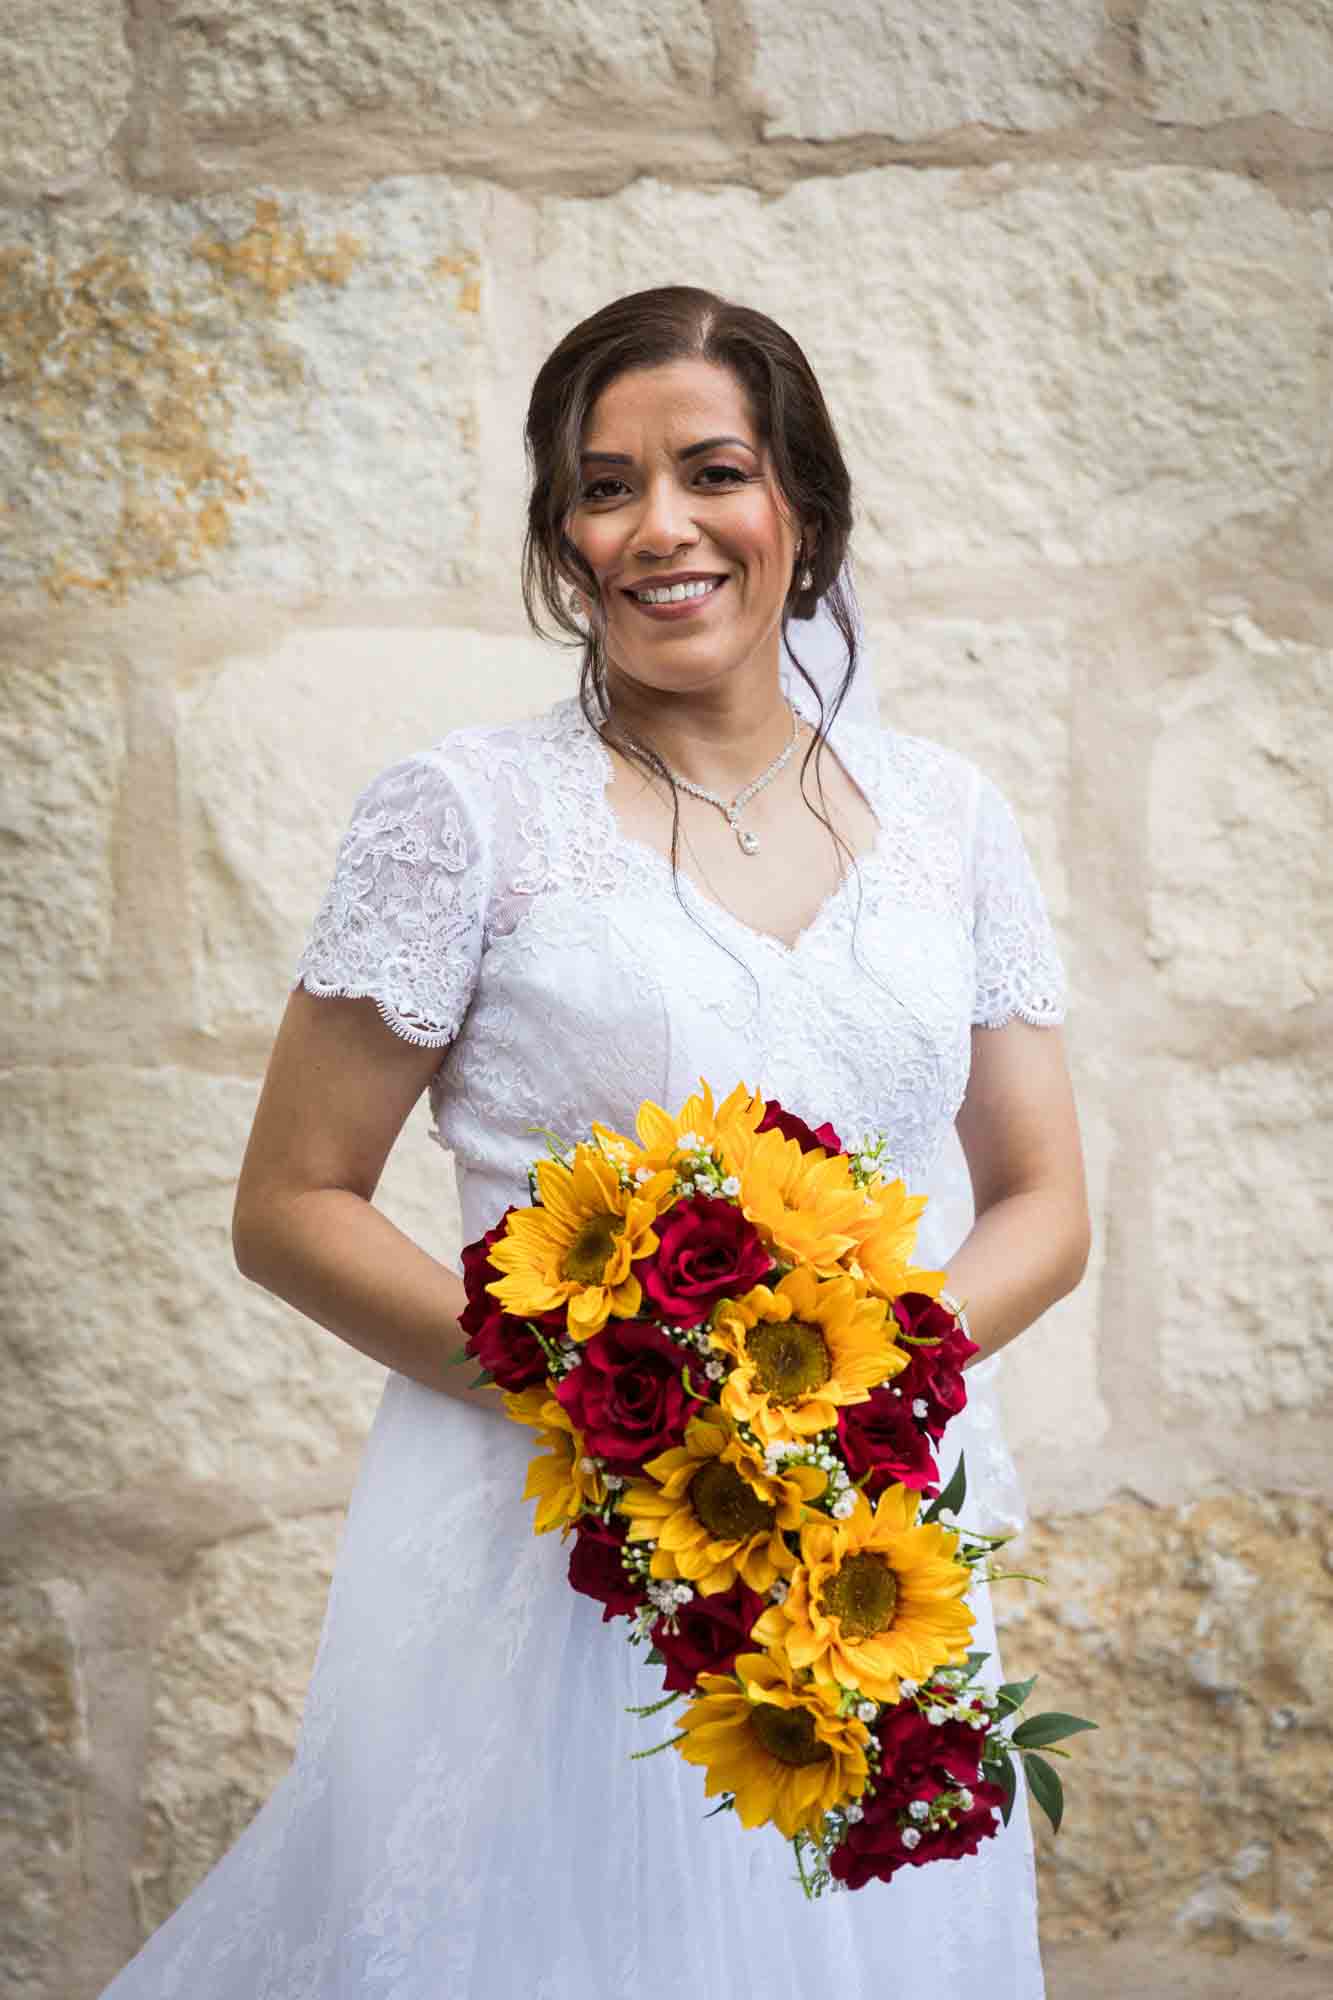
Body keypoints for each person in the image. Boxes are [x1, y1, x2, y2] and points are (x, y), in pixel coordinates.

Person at [100, 285, 1089, 1998]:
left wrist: (869, 1385)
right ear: (563, 540)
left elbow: (1043, 1198)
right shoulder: (465, 815)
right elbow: (292, 1205)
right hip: (555, 1540)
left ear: (802, 505)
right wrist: (610, 1395)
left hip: (874, 1546)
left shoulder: (947, 817)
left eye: (711, 470)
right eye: (603, 487)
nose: (659, 528)